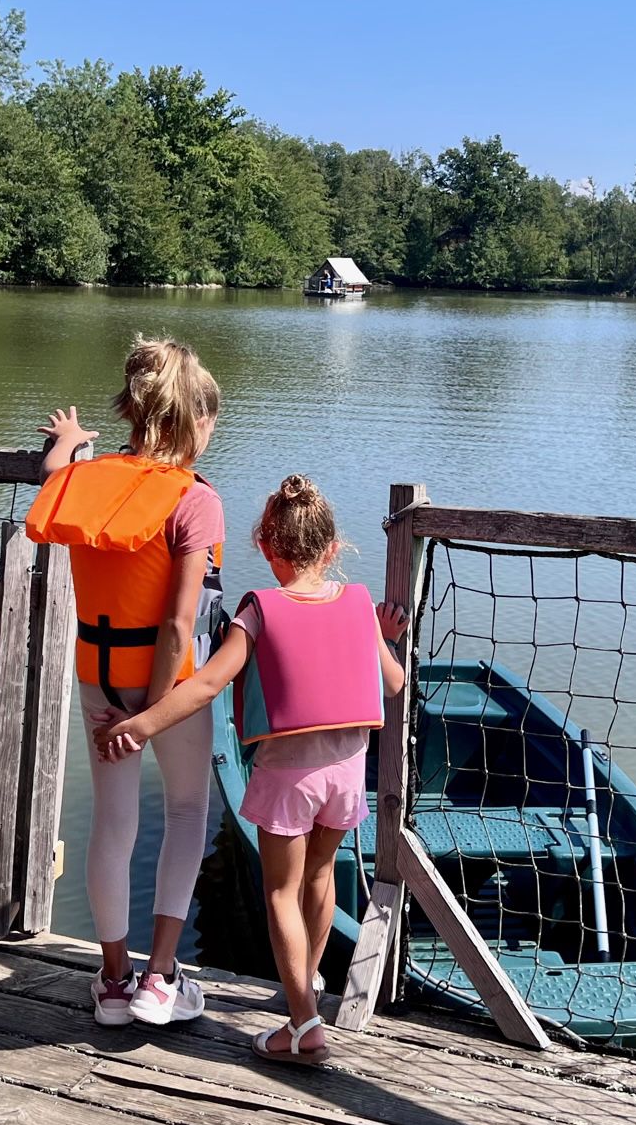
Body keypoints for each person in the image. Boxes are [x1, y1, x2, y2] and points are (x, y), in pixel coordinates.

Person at [96, 475, 407, 1064]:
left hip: (288, 774)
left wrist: (138, 725)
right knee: (320, 879)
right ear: (333, 550)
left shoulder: (257, 612)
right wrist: (384, 638)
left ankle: (303, 1027)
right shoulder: (359, 605)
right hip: (346, 768)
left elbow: (209, 682)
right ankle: (306, 987)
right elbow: (393, 684)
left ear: (265, 547)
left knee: (280, 894)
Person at [24, 336, 225, 1027]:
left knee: (112, 824)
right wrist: (158, 708)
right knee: (185, 813)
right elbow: (178, 624)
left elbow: (57, 468)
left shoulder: (84, 478)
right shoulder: (195, 501)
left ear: (133, 415)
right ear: (195, 421)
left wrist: (72, 439)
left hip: (98, 680)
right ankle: (160, 981)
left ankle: (111, 982)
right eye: (210, 422)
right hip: (166, 690)